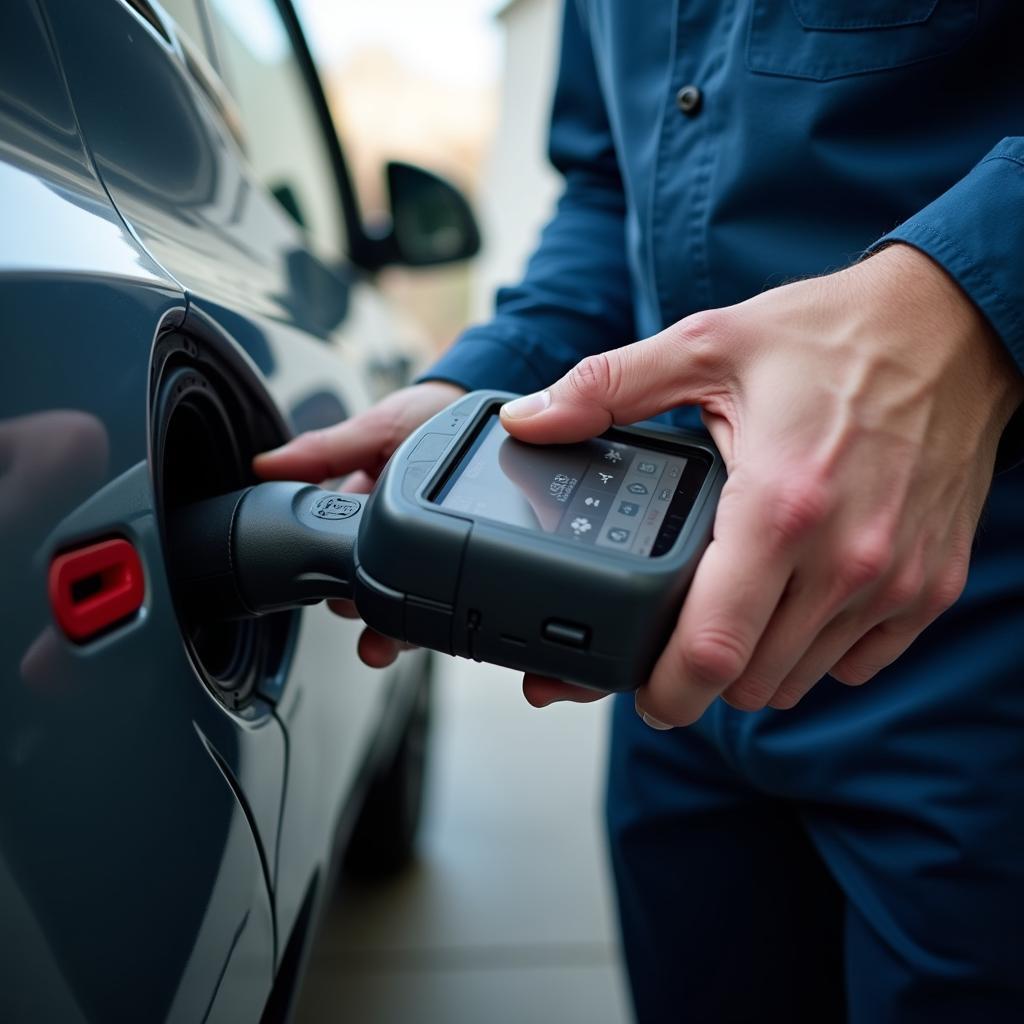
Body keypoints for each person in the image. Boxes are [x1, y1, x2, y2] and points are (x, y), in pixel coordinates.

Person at [256, 2, 1024, 1020]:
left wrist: (966, 303)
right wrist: (485, 387)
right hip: (677, 656)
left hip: (979, 657)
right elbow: (612, 191)